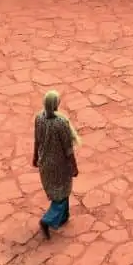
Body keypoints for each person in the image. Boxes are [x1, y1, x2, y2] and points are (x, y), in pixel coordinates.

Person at [32, 89, 80, 239]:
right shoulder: (61, 123)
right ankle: (47, 220)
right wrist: (74, 166)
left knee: (58, 191)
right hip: (60, 165)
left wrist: (34, 157)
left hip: (45, 163)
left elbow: (37, 140)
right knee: (61, 193)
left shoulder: (39, 118)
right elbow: (68, 148)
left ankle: (64, 216)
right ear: (55, 105)